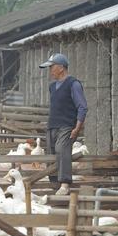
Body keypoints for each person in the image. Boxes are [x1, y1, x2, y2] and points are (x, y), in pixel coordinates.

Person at [39, 53, 88, 196]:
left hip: (67, 125)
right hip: (53, 125)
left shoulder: (73, 84)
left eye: (51, 67)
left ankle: (65, 184)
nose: (50, 71)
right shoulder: (52, 87)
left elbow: (82, 107)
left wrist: (77, 127)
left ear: (61, 68)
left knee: (62, 149)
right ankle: (55, 184)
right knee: (51, 153)